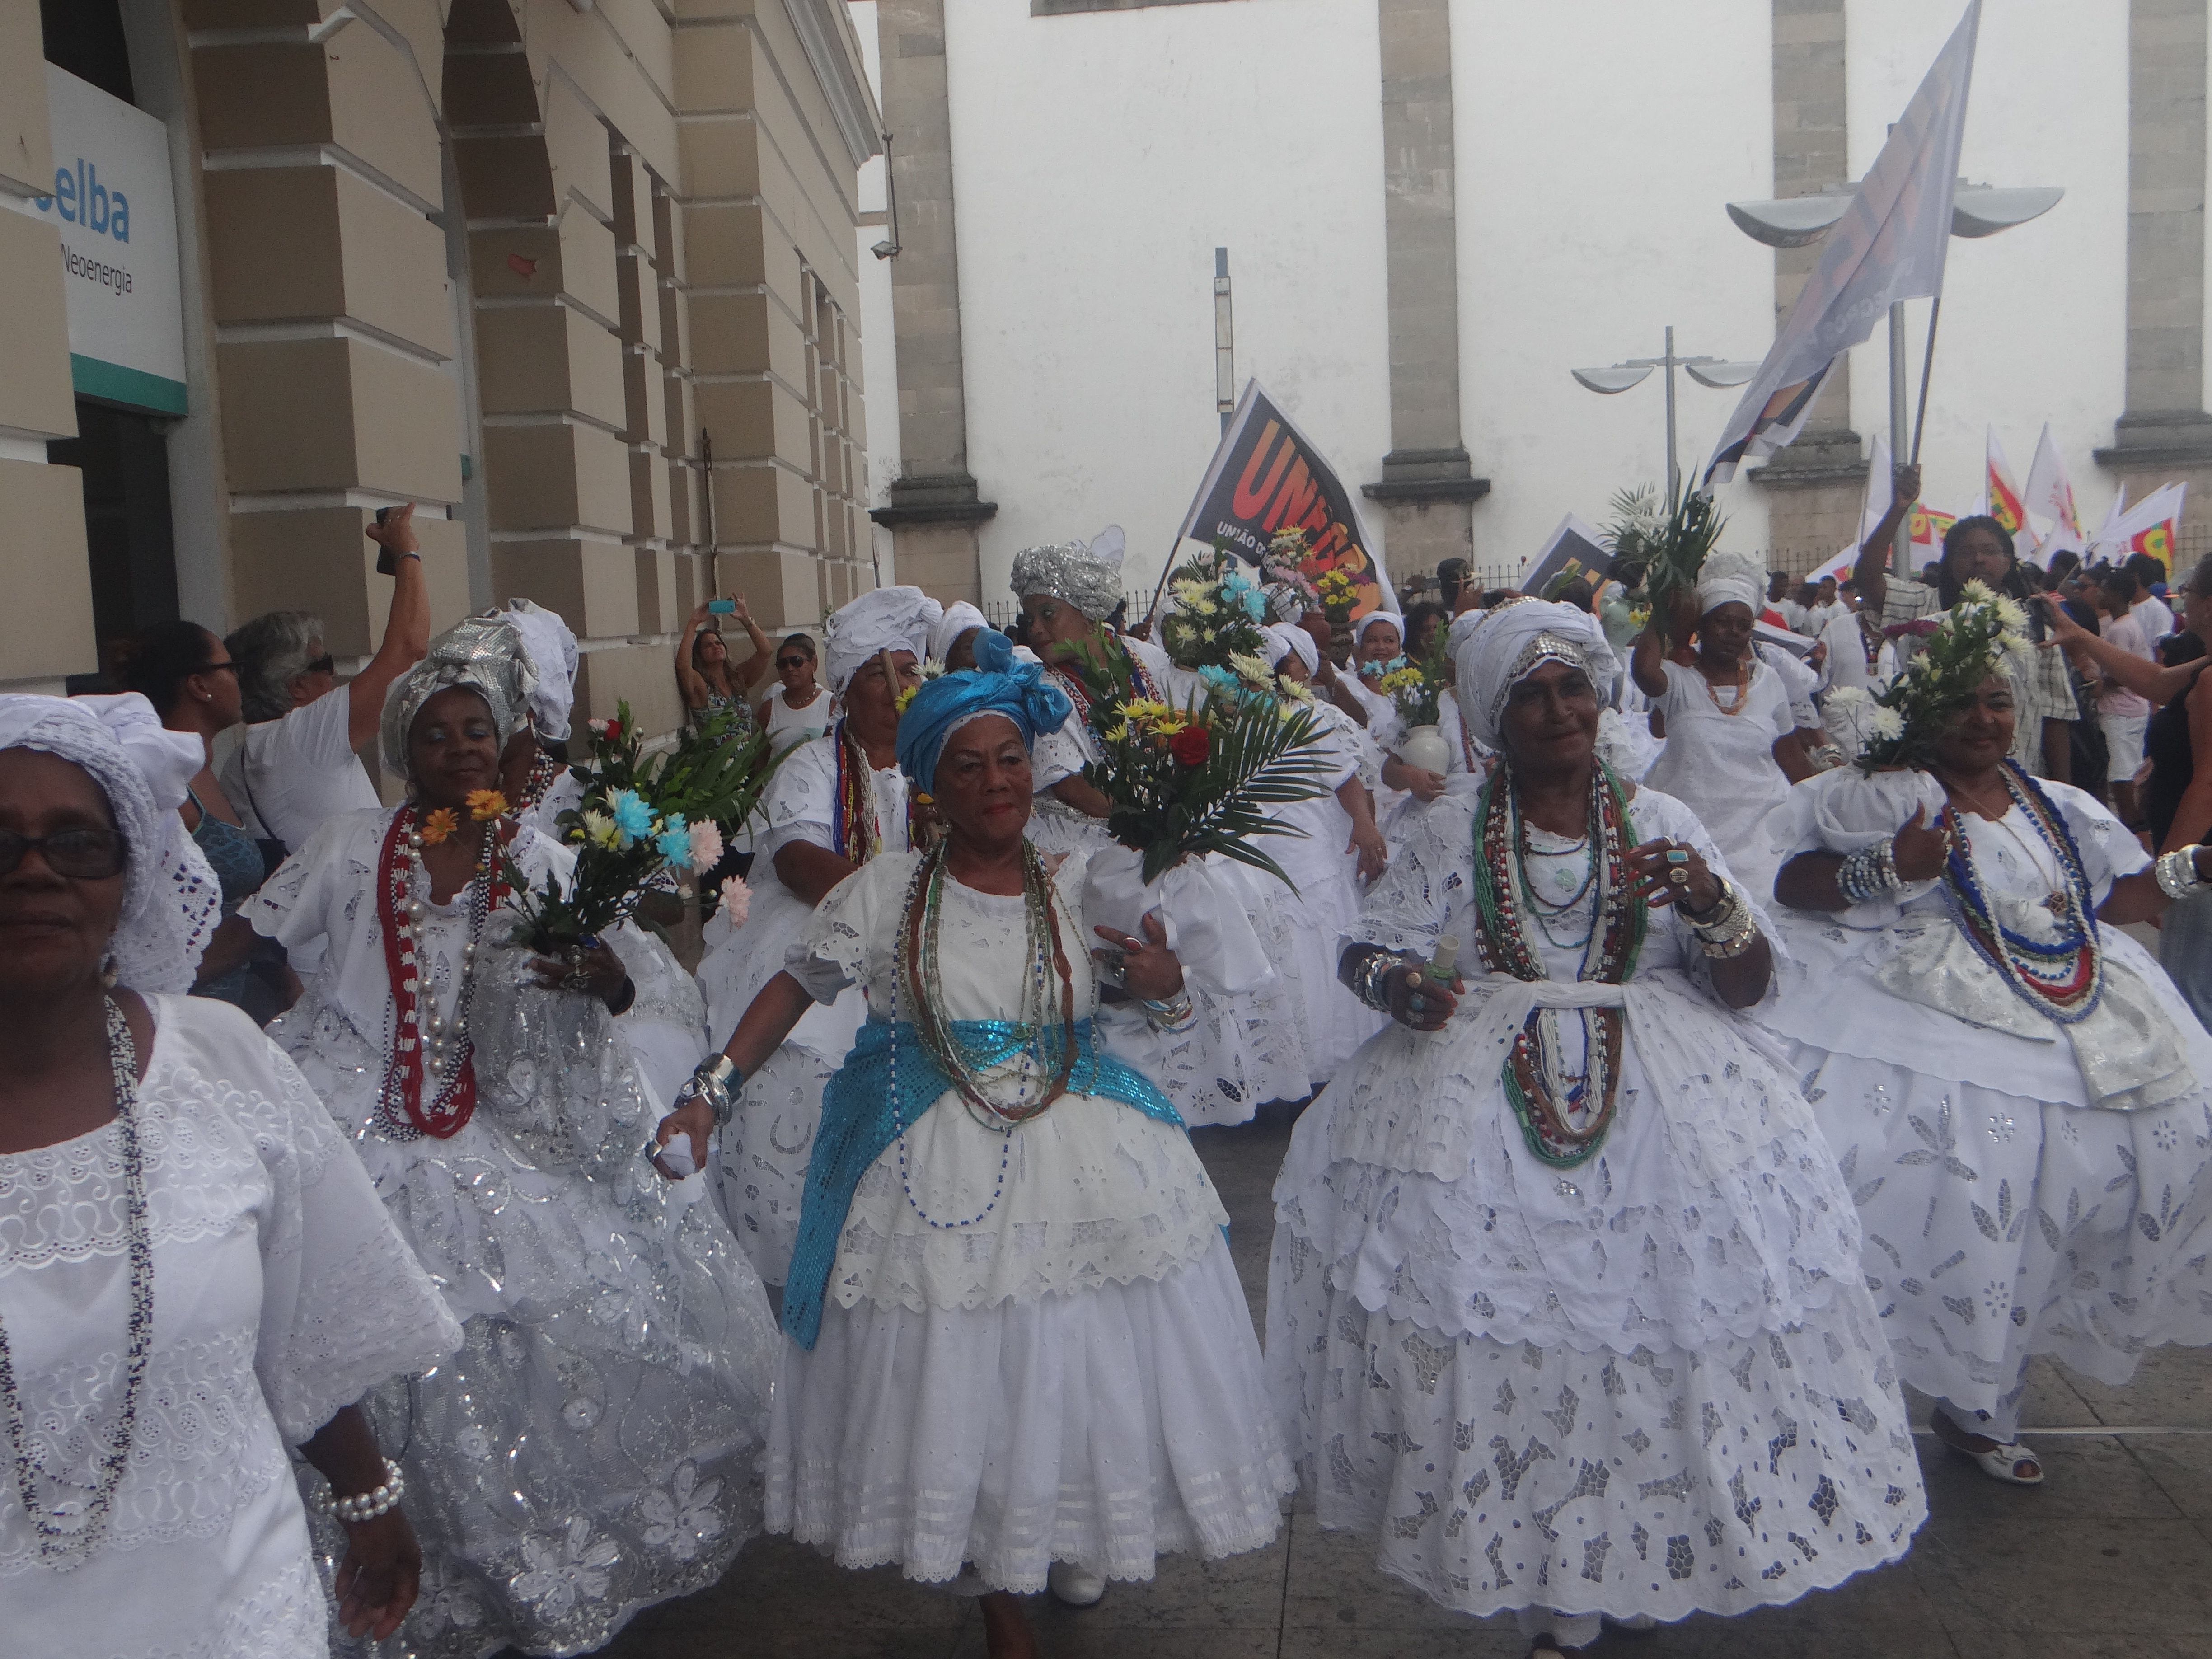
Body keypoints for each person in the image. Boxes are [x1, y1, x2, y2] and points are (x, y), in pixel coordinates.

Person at [1268, 600, 1925, 1659]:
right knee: (1524, 1344)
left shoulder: (1663, 822)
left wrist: (1711, 902)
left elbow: (1749, 986)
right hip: (1478, 1108)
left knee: (1653, 1337)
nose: (1556, 709)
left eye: (1572, 685)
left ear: (1602, 696)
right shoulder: (1451, 825)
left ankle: (1635, 1543)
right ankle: (1550, 1580)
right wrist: (1401, 983)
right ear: (1493, 720)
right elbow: (1367, 945)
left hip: (1667, 1112)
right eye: (1528, 694)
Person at [655, 632, 1294, 1656]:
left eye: (1010, 759)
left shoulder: (1077, 881)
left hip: (1080, 1149)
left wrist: (1160, 980)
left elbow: (1143, 981)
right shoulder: (884, 891)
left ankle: (1066, 1527)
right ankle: (1000, 1589)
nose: (996, 782)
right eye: (969, 764)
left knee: (1074, 1362)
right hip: (927, 1157)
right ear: (931, 785)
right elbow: (791, 987)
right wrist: (710, 1091)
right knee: (968, 1375)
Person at [242, 617, 777, 1655]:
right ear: (404, 752)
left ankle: (522, 1559)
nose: (459, 750)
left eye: (476, 732)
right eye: (436, 734)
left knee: (548, 1296)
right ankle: (388, 1552)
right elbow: (258, 934)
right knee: (340, 1293)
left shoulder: (539, 858)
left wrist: (593, 979)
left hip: (506, 1105)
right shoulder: (353, 845)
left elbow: (627, 981)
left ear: (504, 747)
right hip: (353, 1093)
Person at [0, 693, 463, 1655]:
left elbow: (310, 1322)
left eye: (77, 843)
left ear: (130, 877)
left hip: (233, 1609)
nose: (35, 871)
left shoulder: (221, 1060)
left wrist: (369, 1498)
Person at [1764, 589, 2212, 1487]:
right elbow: (1795, 883)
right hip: (1926, 1011)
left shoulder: (2054, 804)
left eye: (1998, 700)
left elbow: (2117, 901)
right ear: (1921, 713)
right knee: (1958, 1179)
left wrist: (2192, 868)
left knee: (2109, 1168)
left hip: (2075, 1003)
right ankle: (1889, 1382)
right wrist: (1891, 864)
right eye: (1962, 702)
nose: (1984, 717)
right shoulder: (1886, 795)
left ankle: (1985, 1396)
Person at [1013, 541, 1312, 1120]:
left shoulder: (1148, 663)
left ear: (1090, 607)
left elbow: (1200, 744)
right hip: (1081, 851)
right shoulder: (1041, 688)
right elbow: (1069, 787)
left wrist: (1186, 819)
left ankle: (1196, 1096)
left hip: (1164, 837)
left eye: (1048, 612)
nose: (1037, 628)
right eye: (1030, 617)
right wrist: (1148, 825)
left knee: (1233, 894)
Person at [692, 586, 936, 1284]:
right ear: (848, 690)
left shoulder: (941, 762)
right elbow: (798, 863)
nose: (899, 690)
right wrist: (896, 904)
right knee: (810, 1063)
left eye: (910, 674)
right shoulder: (812, 764)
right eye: (878, 676)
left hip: (930, 932)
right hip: (827, 925)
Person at [2036, 560, 2212, 1029]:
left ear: (2208, 606)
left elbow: (2207, 785)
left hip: (2204, 865)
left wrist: (2166, 879)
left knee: (2193, 1002)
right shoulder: (2206, 667)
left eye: (2189, 589)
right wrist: (2083, 638)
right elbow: (2155, 681)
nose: (2184, 597)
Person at [219, 508, 431, 861]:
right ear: (297, 685)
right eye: (324, 664)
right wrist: (406, 552)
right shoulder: (304, 737)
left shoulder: (243, 759)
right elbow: (409, 649)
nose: (332, 675)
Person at [1853, 469, 2076, 781]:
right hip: (1936, 777)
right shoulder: (1925, 605)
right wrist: (1899, 509)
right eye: (1966, 552)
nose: (1979, 560)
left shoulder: (2035, 622)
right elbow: (1867, 580)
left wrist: (2062, 792)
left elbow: (2056, 716)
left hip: (2017, 780)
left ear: (2009, 561)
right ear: (1950, 561)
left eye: (1990, 551)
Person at [117, 620, 291, 1014]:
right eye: (232, 668)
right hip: (184, 1016)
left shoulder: (205, 770)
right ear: (199, 685)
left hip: (232, 1003)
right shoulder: (166, 786)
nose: (239, 679)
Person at [1633, 550, 1810, 897]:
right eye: (1722, 621)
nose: (1733, 633)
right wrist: (1665, 609)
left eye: (1743, 626)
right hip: (1688, 842)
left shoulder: (1768, 681)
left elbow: (1791, 758)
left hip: (1760, 847)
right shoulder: (1680, 680)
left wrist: (1837, 798)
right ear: (1701, 625)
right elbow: (1643, 671)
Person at [1261, 624, 1388, 1082]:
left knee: (1315, 939)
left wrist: (1365, 823)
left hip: (1309, 844)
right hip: (1256, 848)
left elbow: (1347, 780)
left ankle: (1326, 1058)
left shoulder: (1309, 717)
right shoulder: (1234, 719)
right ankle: (1278, 1067)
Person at [2074, 568, 2156, 826]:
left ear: (2116, 595)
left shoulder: (2120, 629)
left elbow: (2121, 674)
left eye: (2104, 589)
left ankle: (2133, 826)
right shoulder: (2122, 625)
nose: (2099, 593)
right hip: (2128, 708)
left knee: (2122, 773)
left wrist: (2095, 682)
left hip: (2121, 709)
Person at [676, 594, 772, 731]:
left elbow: (765, 652)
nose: (716, 646)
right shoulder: (702, 686)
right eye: (708, 646)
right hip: (717, 752)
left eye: (718, 643)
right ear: (700, 655)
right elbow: (683, 667)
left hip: (746, 752)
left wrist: (746, 620)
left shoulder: (736, 680)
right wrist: (694, 621)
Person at [756, 632, 831, 743]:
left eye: (797, 661)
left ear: (813, 663)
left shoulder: (831, 705)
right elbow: (762, 756)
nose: (790, 668)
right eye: (783, 664)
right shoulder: (769, 710)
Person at [2126, 551, 2177, 642]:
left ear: (2135, 576)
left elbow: (2162, 652)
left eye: (2125, 574)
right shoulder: (2122, 608)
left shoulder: (2158, 610)